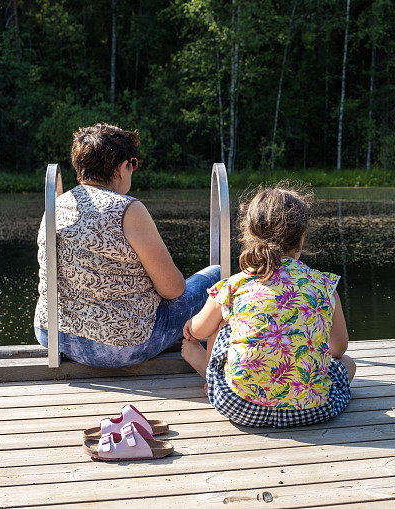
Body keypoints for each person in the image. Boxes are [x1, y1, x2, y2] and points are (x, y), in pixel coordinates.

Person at [33, 123, 220, 368]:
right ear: (123, 167)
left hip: (52, 334)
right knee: (217, 276)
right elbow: (172, 289)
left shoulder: (55, 205)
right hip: (117, 348)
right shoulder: (127, 209)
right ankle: (219, 361)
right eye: (133, 164)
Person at [181, 184, 356, 428]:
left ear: (249, 235)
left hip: (239, 406)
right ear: (301, 239)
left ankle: (207, 373)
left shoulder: (234, 285)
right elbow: (338, 348)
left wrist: (190, 327)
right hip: (313, 408)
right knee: (348, 364)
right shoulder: (323, 284)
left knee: (223, 322)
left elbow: (199, 331)